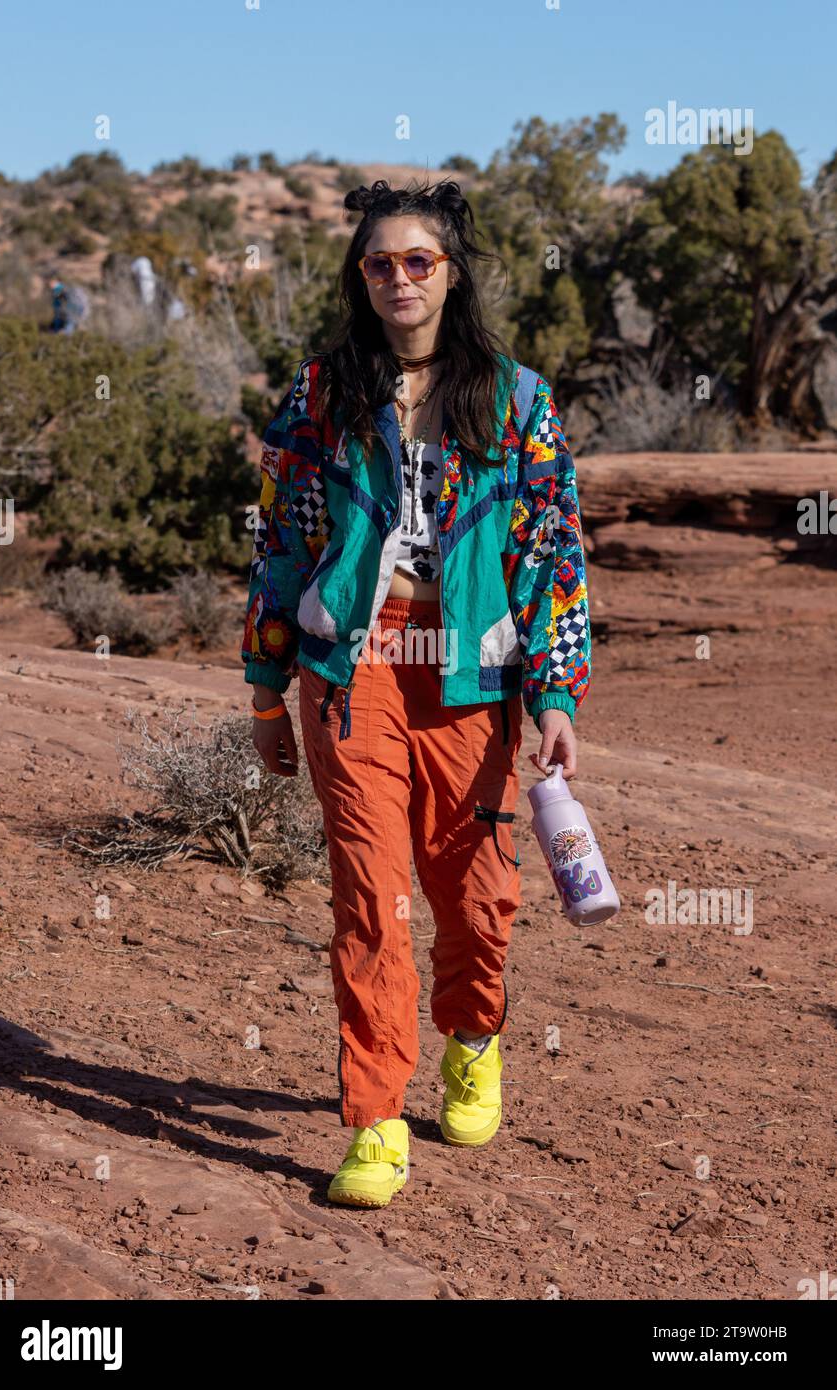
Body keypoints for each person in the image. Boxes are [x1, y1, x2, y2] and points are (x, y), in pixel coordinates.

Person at [241, 178, 591, 1209]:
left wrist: (556, 691)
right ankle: (376, 1117)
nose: (398, 278)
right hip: (351, 664)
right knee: (369, 894)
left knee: (475, 895)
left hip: (471, 665)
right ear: (360, 277)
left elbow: (550, 549)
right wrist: (266, 689)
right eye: (380, 263)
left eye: (418, 261)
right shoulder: (319, 394)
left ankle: (473, 1034)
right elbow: (279, 544)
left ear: (450, 272)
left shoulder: (516, 398)